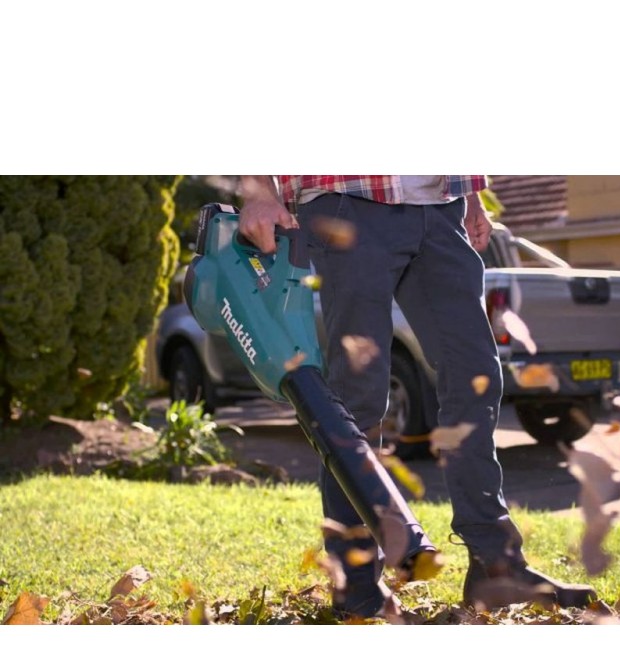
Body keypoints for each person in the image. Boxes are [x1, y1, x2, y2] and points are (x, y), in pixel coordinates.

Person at [239, 175, 597, 618]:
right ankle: (356, 585)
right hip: (349, 200)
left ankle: (496, 566)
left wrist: (471, 193)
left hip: (440, 206)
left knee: (475, 378)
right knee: (360, 396)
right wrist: (259, 190)